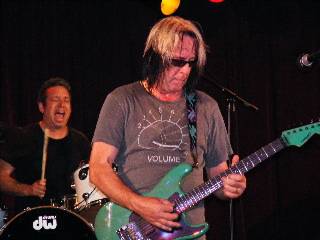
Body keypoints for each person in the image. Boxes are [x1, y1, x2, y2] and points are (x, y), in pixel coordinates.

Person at [89, 16, 246, 239]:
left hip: (188, 232)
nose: (185, 71)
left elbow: (218, 177)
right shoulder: (122, 100)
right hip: (135, 228)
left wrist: (231, 186)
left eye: (191, 62)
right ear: (155, 57)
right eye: (177, 62)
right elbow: (98, 169)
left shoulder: (205, 107)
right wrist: (140, 205)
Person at [0, 77, 91, 215]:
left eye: (66, 100)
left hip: (71, 221)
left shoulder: (81, 142)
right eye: (55, 100)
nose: (61, 105)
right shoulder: (23, 137)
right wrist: (28, 189)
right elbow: (2, 178)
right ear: (42, 107)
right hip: (31, 220)